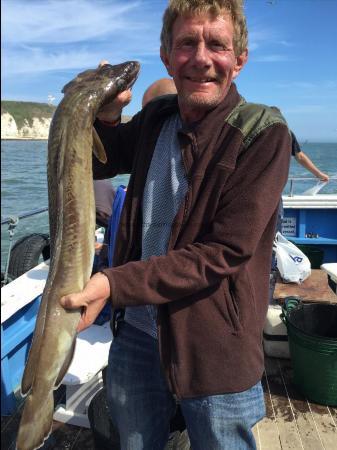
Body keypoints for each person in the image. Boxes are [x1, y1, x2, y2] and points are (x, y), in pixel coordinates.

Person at [61, 1, 291, 449]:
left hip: (214, 351)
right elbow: (95, 162)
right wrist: (106, 114)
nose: (201, 58)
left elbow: (222, 253)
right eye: (187, 43)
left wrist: (111, 283)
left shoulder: (264, 133)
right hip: (138, 339)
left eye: (217, 45)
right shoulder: (158, 118)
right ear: (167, 55)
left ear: (239, 60)